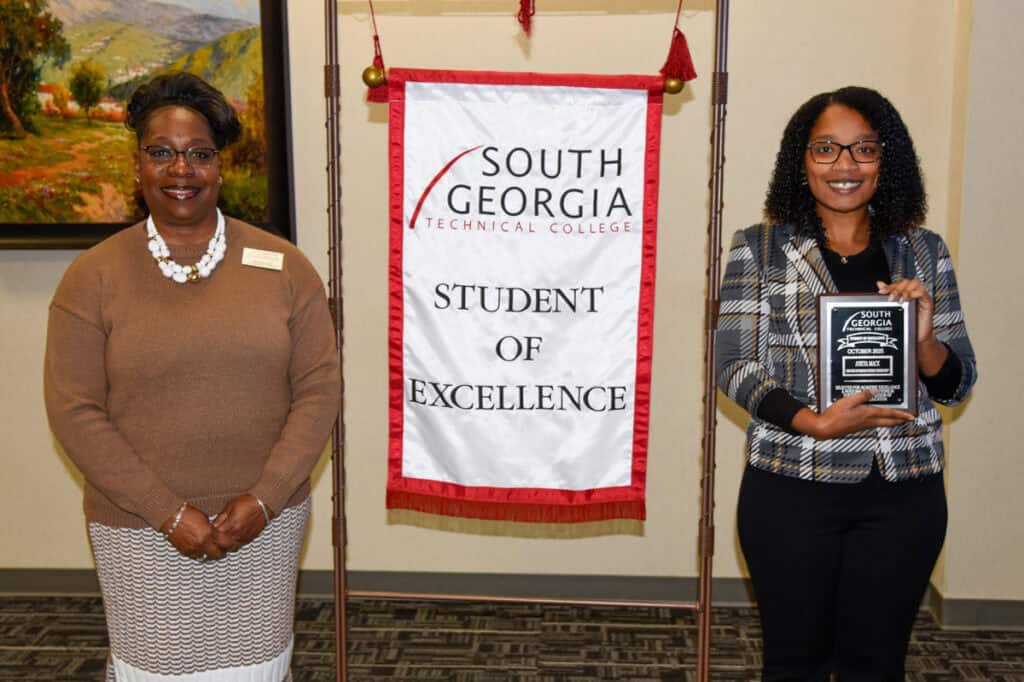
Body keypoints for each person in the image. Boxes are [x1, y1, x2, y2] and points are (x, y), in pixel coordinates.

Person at [44, 72, 341, 681]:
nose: (181, 170)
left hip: (263, 525)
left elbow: (319, 390)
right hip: (139, 529)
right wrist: (166, 511)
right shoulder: (92, 278)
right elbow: (74, 410)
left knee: (256, 671)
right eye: (162, 152)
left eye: (199, 154)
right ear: (138, 166)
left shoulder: (286, 268)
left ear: (220, 168)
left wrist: (266, 497)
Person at [716, 86, 977, 680]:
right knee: (794, 662)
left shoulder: (924, 251)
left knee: (876, 664)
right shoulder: (758, 249)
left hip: (904, 492)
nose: (845, 166)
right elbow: (733, 364)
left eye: (863, 149)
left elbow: (956, 383)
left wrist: (926, 340)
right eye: (826, 150)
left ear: (888, 162)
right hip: (791, 488)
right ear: (800, 161)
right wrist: (815, 421)